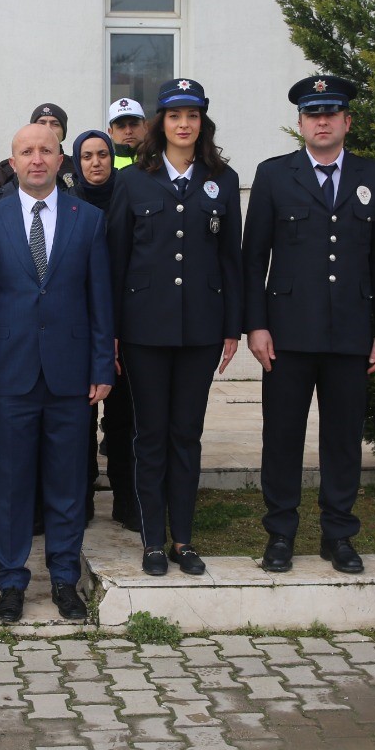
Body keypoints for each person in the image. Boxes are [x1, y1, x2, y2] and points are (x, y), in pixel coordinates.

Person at [244, 75, 375, 575]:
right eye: (314, 114)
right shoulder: (273, 175)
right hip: (287, 334)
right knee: (283, 436)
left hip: (352, 333)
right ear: (301, 124)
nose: (323, 121)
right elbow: (253, 261)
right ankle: (281, 534)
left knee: (342, 438)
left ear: (347, 121)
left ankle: (338, 534)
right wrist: (256, 325)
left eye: (332, 112)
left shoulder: (372, 178)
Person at [0, 124, 114, 623]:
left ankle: (62, 579)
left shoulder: (89, 220)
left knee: (67, 483)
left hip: (71, 376)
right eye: (26, 152)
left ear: (60, 161)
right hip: (9, 376)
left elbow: (100, 301)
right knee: (9, 484)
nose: (36, 159)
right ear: (11, 163)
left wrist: (101, 366)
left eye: (46, 151)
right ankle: (11, 581)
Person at [106, 78, 243, 578]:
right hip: (144, 330)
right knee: (151, 434)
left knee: (187, 434)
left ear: (202, 122)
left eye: (192, 115)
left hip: (202, 330)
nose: (183, 124)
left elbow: (232, 258)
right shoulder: (133, 180)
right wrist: (113, 331)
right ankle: (151, 542)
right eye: (173, 116)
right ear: (158, 124)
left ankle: (183, 539)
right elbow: (116, 260)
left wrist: (233, 327)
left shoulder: (222, 178)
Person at [71, 129, 138, 533]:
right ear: (76, 163)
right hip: (83, 325)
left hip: (127, 324)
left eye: (102, 155)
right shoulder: (69, 204)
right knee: (81, 417)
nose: (96, 163)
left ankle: (127, 500)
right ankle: (82, 500)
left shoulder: (129, 198)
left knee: (123, 419)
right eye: (87, 156)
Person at [28, 103, 82, 196]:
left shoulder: (77, 166)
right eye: (42, 123)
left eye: (55, 124)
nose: (48, 128)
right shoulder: (11, 168)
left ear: (63, 133)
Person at [107, 98, 146, 172]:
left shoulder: (160, 161)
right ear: (110, 132)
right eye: (121, 126)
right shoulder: (107, 167)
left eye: (134, 124)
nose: (128, 131)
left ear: (145, 127)